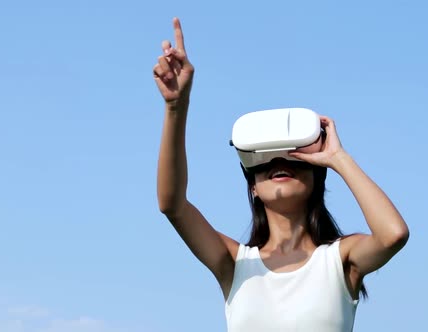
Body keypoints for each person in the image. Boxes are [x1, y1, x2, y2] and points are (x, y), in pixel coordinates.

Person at [153, 17, 409, 332]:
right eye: (263, 162)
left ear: (316, 178)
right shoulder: (235, 264)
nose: (278, 163)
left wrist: (338, 158)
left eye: (295, 157)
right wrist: (176, 107)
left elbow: (393, 234)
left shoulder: (340, 260)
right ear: (253, 189)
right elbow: (172, 205)